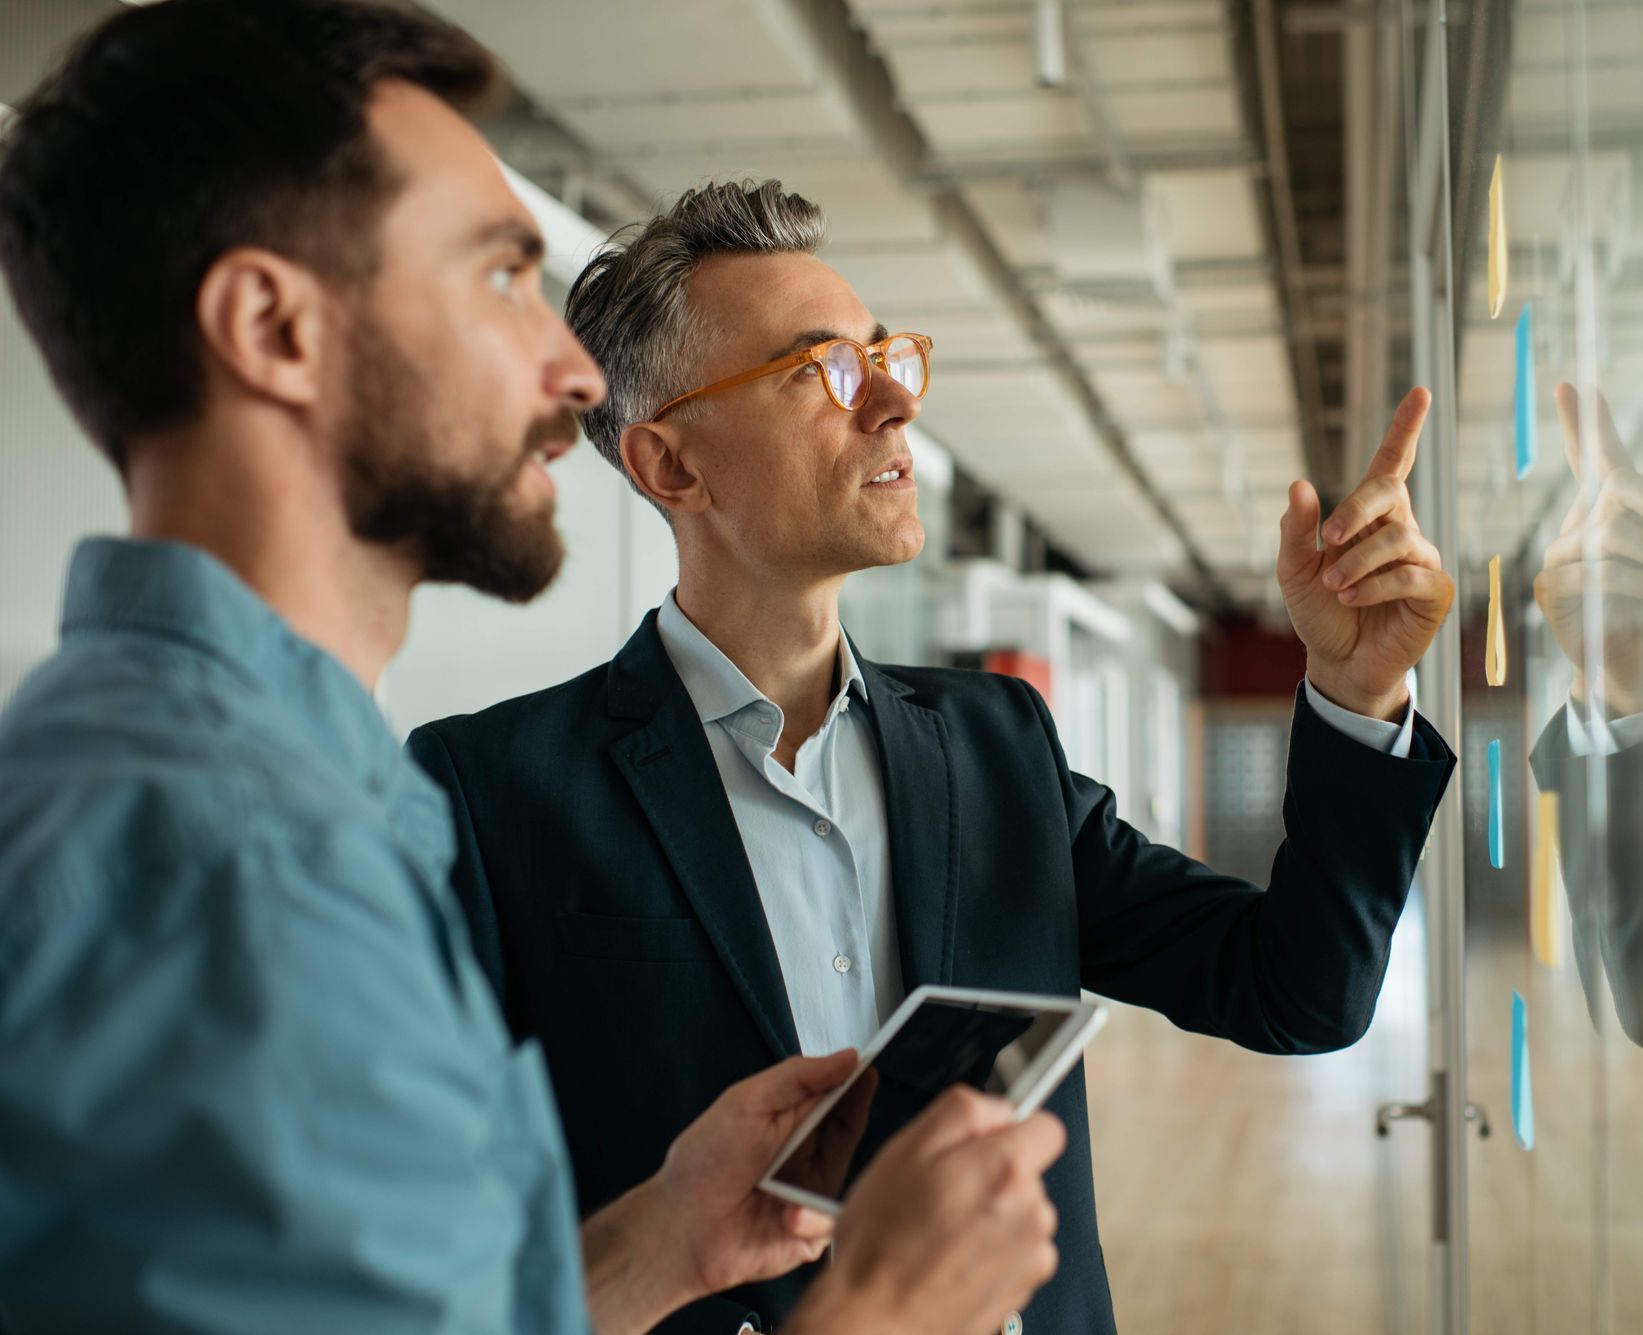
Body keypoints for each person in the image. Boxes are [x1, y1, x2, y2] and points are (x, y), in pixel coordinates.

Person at [0, 3, 1066, 1332]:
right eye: (500, 277)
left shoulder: (298, 795)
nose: (571, 373)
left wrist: (650, 1245)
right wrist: (882, 1310)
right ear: (274, 327)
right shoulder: (226, 859)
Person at [409, 179, 1461, 1333]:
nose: (894, 406)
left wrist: (1357, 693)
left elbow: (1294, 992)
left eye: (888, 358)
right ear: (671, 468)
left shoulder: (992, 743)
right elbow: (436, 1228)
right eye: (824, 373)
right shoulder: (490, 790)